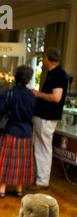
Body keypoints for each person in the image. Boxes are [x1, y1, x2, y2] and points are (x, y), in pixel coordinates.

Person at [0, 65, 37, 198]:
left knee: (4, 161)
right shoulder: (32, 96)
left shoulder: (8, 93)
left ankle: (1, 190)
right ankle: (19, 190)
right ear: (29, 79)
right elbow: (34, 113)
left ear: (16, 77)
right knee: (21, 162)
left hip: (9, 130)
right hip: (26, 132)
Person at [28, 48, 68, 191]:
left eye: (44, 57)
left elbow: (56, 97)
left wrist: (38, 94)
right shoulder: (54, 73)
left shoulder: (59, 74)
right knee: (40, 148)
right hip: (43, 116)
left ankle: (42, 180)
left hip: (47, 117)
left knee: (43, 149)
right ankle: (40, 178)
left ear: (48, 58)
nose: (42, 59)